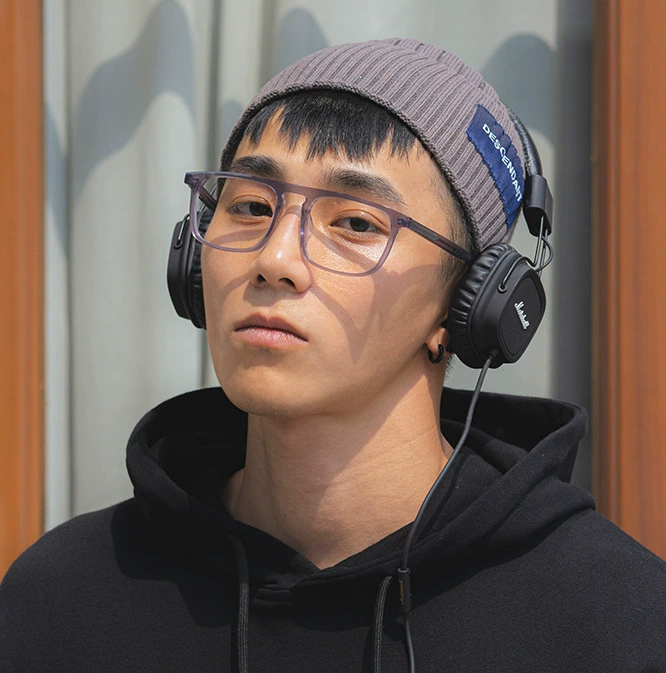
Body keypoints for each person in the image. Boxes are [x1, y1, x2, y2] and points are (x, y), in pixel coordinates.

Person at [1, 38, 665, 673]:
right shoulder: (62, 601)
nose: (275, 259)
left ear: (468, 303)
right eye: (250, 206)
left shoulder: (616, 621)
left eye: (354, 223)